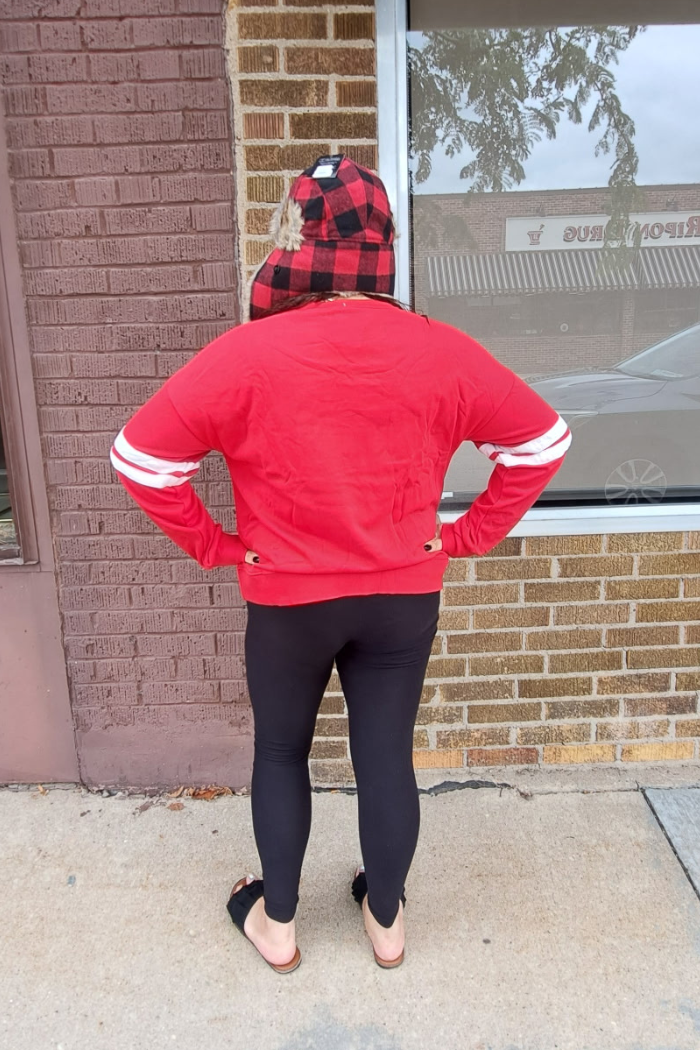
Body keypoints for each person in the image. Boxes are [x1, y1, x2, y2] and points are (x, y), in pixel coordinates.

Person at [110, 155, 571, 974]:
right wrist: (466, 536)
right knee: (386, 755)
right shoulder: (440, 351)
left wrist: (214, 545)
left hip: (288, 601)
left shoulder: (247, 355)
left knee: (282, 752)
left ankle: (279, 929)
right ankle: (386, 925)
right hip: (401, 596)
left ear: (296, 241)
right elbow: (543, 442)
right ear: (383, 244)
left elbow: (140, 459)